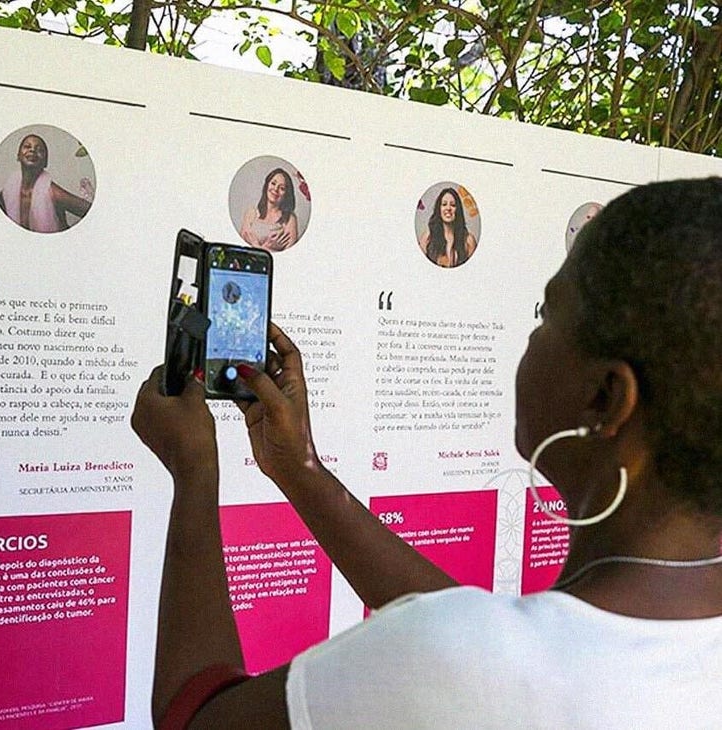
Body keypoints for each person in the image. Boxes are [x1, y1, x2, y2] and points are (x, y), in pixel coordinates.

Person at [132, 178, 722, 729]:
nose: (532, 336)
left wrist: (194, 471)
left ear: (607, 398)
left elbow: (196, 713)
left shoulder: (467, 666)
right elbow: (482, 639)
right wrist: (300, 469)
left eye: (547, 315)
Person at [0, 134, 93, 233]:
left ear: (45, 162)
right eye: (27, 147)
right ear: (18, 156)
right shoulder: (7, 191)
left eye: (39, 150)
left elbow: (93, 211)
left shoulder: (53, 193)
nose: (32, 150)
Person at [240, 168, 298, 251]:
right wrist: (266, 248)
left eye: (282, 188)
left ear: (286, 194)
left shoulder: (290, 219)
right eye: (273, 183)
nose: (275, 189)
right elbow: (241, 247)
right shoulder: (251, 213)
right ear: (267, 185)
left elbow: (290, 254)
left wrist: (255, 245)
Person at [419, 187, 477, 267]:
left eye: (453, 205)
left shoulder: (469, 241)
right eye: (444, 204)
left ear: (458, 210)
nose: (448, 208)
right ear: (439, 209)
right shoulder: (427, 238)